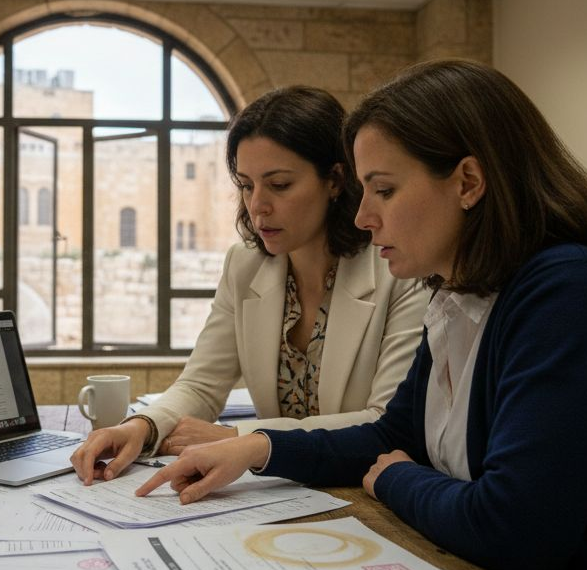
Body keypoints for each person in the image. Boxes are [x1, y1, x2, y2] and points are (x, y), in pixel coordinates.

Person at [136, 60, 587, 570]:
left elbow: (514, 527)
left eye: (385, 190)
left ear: (468, 183)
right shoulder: (462, 295)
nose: (365, 218)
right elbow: (389, 433)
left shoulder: (568, 293)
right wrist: (259, 449)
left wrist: (396, 478)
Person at [70, 85, 428, 484]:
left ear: (335, 180)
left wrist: (239, 439)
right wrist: (142, 427)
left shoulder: (397, 270)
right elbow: (202, 384)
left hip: (361, 487)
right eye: (246, 184)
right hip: (279, 494)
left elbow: (385, 422)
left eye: (279, 185)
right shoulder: (245, 264)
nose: (257, 205)